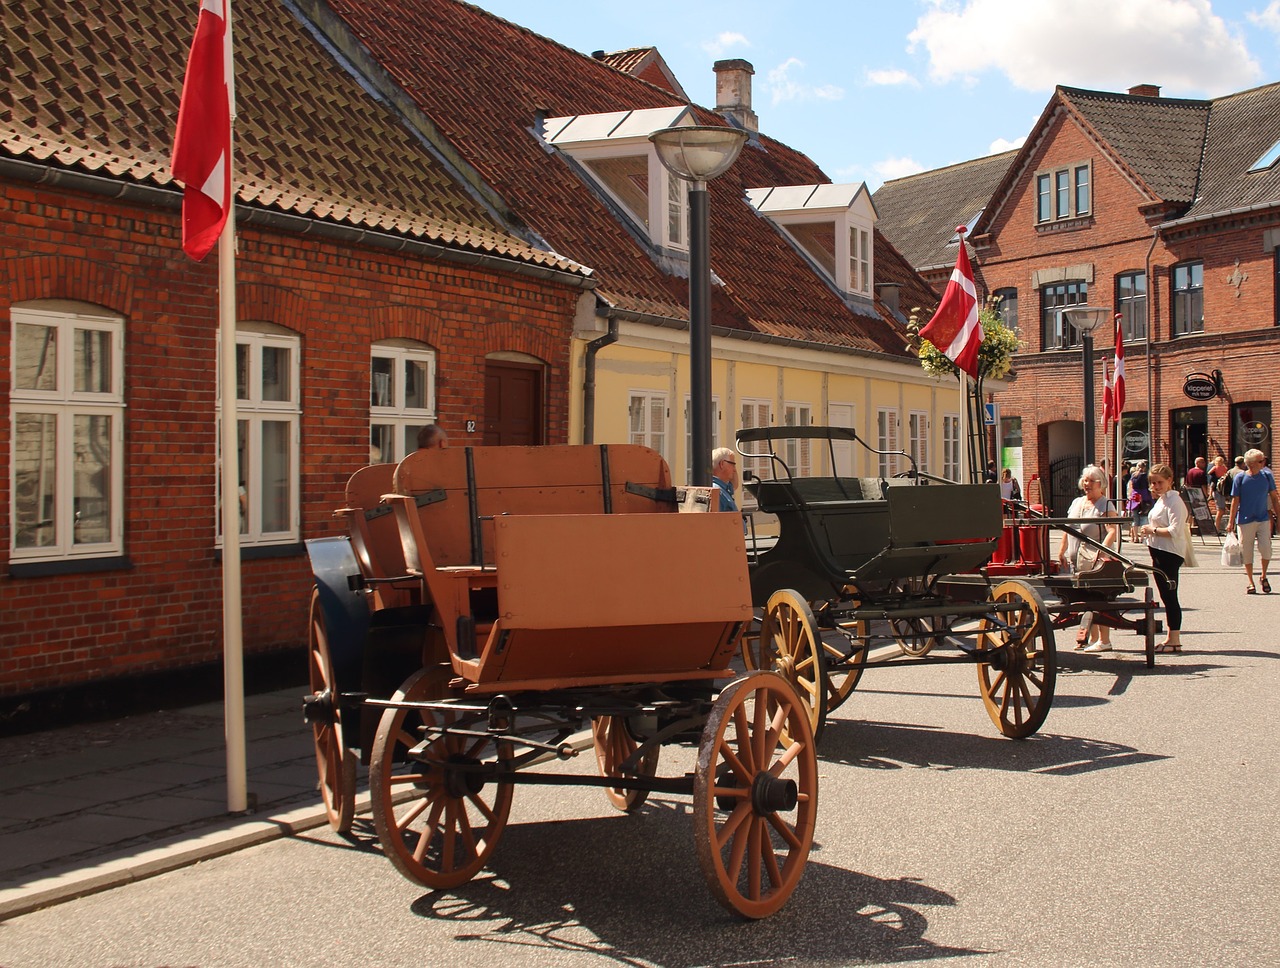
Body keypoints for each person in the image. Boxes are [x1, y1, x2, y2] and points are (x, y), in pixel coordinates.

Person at [1056, 464, 1119, 651]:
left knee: (1098, 597)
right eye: (1085, 480)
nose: (1087, 484)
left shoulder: (1105, 504)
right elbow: (1068, 529)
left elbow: (1112, 530)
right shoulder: (1077, 503)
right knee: (1084, 597)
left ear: (1101, 484)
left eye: (1092, 481)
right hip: (1078, 559)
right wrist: (1062, 551)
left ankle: (1104, 640)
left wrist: (1103, 550)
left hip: (1096, 560)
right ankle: (1093, 638)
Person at [1139, 463, 1189, 653]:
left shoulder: (1174, 501)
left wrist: (1152, 530)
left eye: (1160, 482)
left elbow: (1176, 531)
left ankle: (1174, 639)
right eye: (1152, 483)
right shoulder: (1162, 500)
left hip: (1169, 553)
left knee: (1170, 596)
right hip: (1159, 550)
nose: (1156, 486)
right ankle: (1171, 637)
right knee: (1166, 596)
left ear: (1170, 481)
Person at [1226, 448, 1280, 594]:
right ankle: (1250, 581)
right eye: (1261, 460)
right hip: (1244, 520)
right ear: (1252, 464)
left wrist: (1279, 517)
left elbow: (1274, 498)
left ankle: (1263, 576)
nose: (1264, 462)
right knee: (1247, 551)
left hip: (1263, 518)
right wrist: (1230, 522)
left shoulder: (1267, 476)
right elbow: (1235, 501)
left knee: (1266, 549)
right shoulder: (1240, 478)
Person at [711, 446, 740, 516]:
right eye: (733, 464)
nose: (734, 470)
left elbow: (735, 485)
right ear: (722, 464)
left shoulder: (722, 488)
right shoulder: (717, 492)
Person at [1127, 459, 1152, 538]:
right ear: (1144, 468)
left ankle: (1135, 537)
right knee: (1143, 518)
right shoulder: (1145, 476)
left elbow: (1131, 487)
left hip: (1134, 498)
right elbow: (1148, 487)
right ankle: (1141, 537)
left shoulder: (1133, 475)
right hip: (1144, 498)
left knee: (1135, 519)